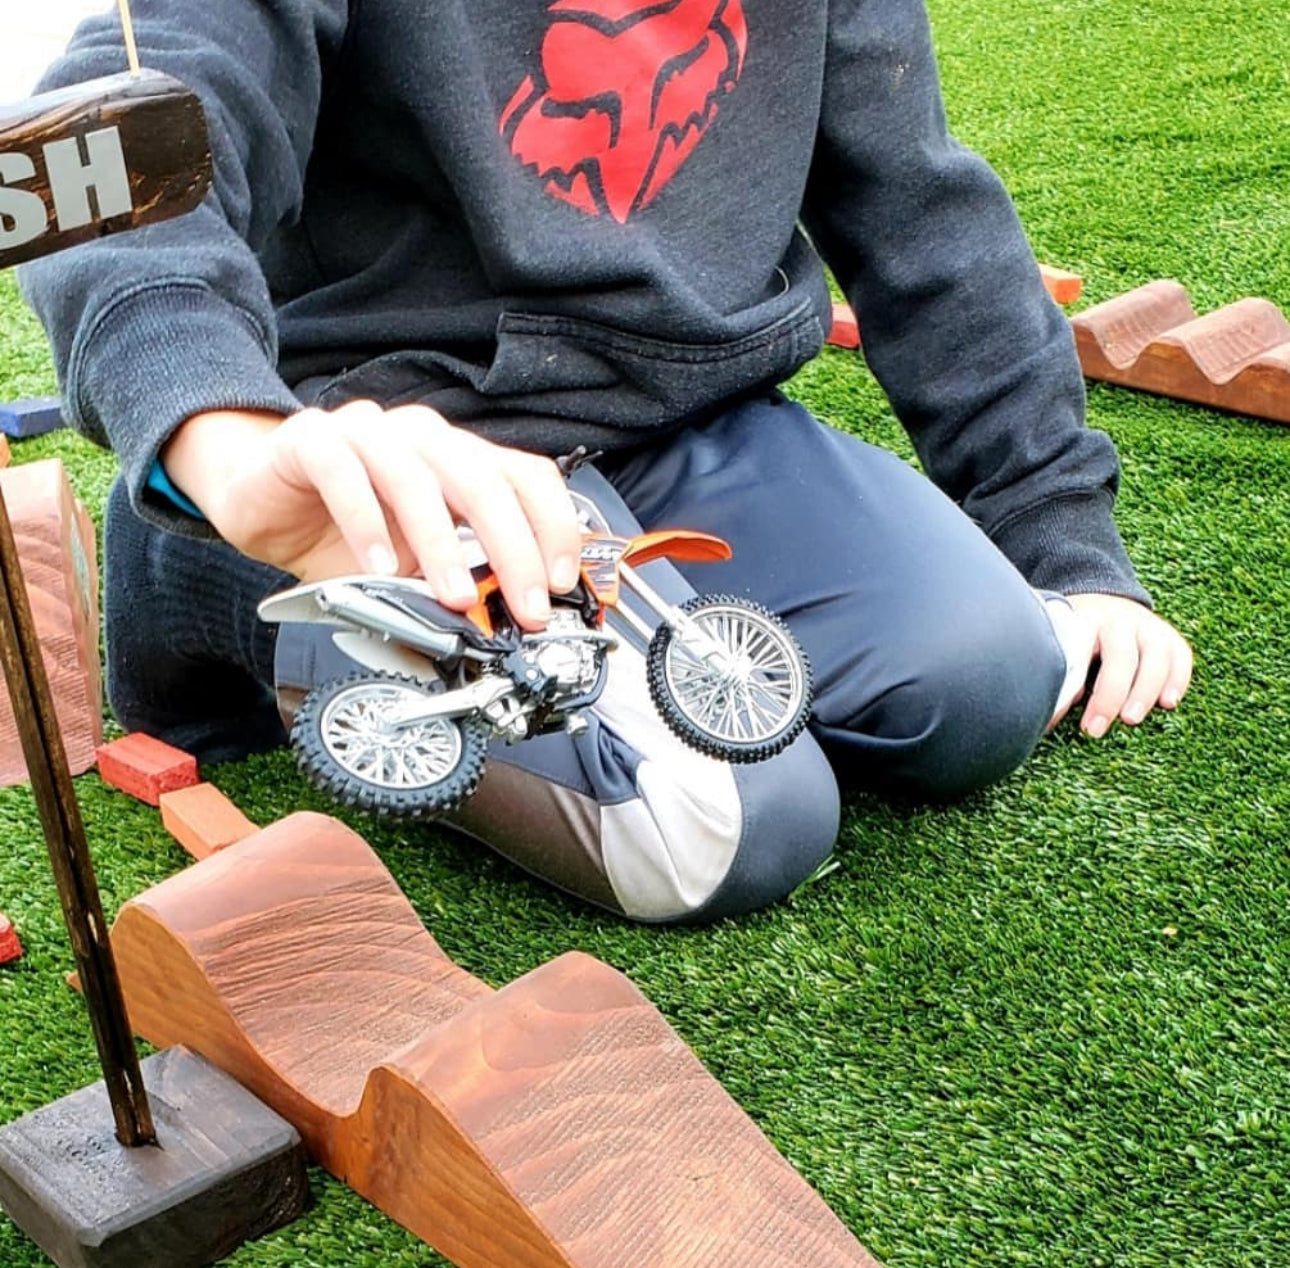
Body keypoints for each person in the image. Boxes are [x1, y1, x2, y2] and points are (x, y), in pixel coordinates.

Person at [19, 0, 1191, 922]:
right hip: (381, 466)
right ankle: (206, 583)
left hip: (685, 418)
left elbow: (924, 213)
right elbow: (86, 149)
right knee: (724, 824)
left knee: (988, 681)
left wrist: (1062, 537)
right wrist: (228, 448)